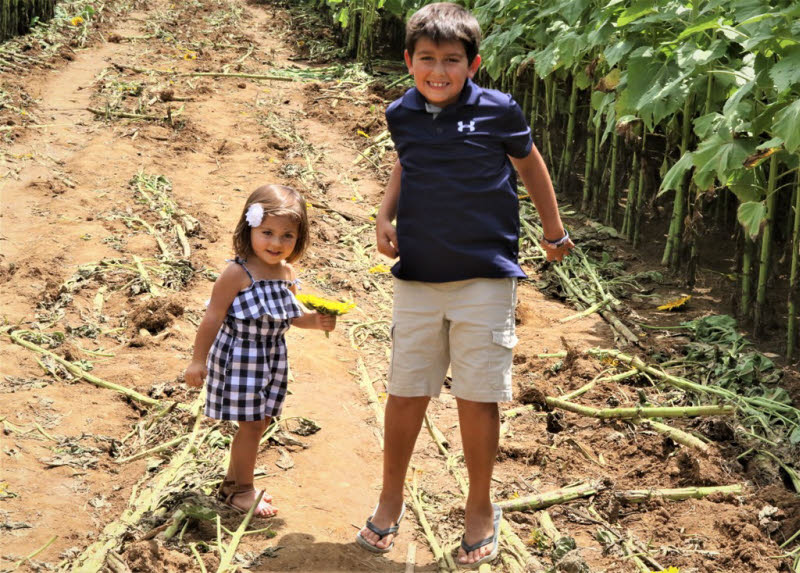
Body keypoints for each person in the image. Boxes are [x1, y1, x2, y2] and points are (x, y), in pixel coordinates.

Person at [355, 2, 574, 568]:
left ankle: (480, 506)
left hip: (485, 274)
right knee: (407, 391)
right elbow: (406, 161)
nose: (439, 71)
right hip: (419, 276)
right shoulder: (400, 112)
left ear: (472, 64)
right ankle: (390, 496)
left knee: (478, 396)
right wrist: (386, 214)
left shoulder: (499, 111)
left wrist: (553, 231)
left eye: (452, 60)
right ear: (408, 61)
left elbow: (530, 165)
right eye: (427, 59)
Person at [185, 184, 336, 517]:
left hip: (271, 357)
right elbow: (213, 317)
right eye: (267, 232)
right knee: (252, 424)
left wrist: (317, 321)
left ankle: (231, 486)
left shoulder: (287, 273)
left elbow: (293, 316)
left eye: (287, 236)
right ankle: (243, 490)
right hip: (240, 356)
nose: (276, 243)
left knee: (261, 421)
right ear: (249, 228)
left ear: (299, 239)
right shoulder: (237, 273)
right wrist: (198, 360)